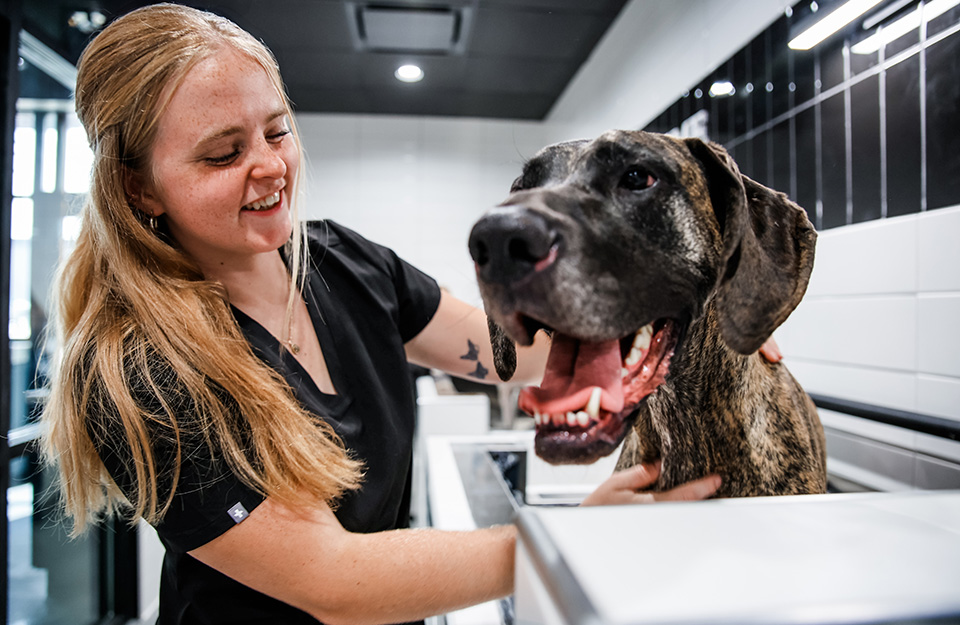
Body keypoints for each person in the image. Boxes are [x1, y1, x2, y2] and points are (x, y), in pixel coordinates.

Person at [40, 4, 725, 624]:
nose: (270, 167)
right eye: (224, 153)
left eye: (277, 131)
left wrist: (701, 316)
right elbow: (335, 581)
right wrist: (566, 539)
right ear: (140, 187)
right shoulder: (140, 372)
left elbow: (513, 355)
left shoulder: (343, 263)